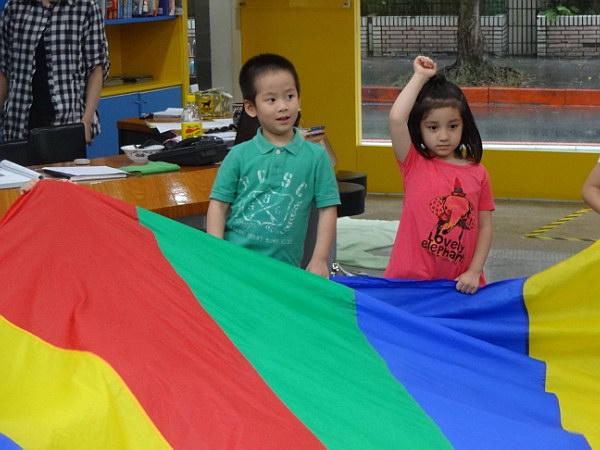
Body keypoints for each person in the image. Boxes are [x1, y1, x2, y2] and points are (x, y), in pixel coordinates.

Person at [207, 53, 340, 278]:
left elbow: (328, 209)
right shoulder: (239, 155)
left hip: (285, 270)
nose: (283, 107)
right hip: (235, 264)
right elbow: (218, 206)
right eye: (271, 100)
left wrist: (319, 259)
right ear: (251, 107)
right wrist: (217, 253)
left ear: (299, 99)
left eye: (290, 96)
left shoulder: (316, 156)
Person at [385, 55, 495, 294]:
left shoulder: (478, 174)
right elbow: (396, 118)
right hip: (409, 285)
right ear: (420, 128)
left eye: (452, 126)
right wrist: (420, 77)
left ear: (464, 124)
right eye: (433, 127)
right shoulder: (413, 163)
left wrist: (475, 271)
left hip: (458, 286)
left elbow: (485, 227)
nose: (443, 136)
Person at [0, 0, 109, 145]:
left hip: (68, 121)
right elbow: (3, 70)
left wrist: (86, 121)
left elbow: (96, 69)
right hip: (19, 123)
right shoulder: (14, 7)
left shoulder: (85, 7)